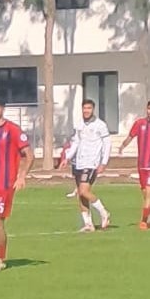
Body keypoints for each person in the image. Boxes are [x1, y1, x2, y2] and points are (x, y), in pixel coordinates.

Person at [0, 97, 32, 271]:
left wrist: (21, 176)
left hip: (4, 184)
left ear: (2, 109)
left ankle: (0, 260)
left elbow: (29, 155)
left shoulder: (13, 130)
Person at [58, 99, 111, 232]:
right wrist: (67, 157)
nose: (86, 110)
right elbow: (75, 142)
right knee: (80, 195)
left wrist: (103, 162)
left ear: (93, 109)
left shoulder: (100, 125)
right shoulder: (79, 124)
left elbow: (107, 144)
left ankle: (104, 213)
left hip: (91, 163)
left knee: (84, 191)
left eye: (89, 108)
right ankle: (88, 224)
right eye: (84, 108)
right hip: (78, 163)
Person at [117, 99, 150, 229]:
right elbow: (130, 137)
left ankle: (143, 221)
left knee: (148, 193)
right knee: (145, 193)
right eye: (149, 109)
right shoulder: (139, 123)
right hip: (141, 165)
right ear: (146, 109)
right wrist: (122, 146)